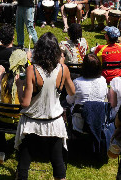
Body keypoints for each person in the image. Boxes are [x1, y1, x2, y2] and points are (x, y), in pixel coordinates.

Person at [14, 32, 75, 180]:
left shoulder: (32, 70)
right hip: (54, 122)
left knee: (23, 165)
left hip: (31, 124)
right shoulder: (63, 69)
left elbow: (25, 103)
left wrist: (19, 85)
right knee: (58, 164)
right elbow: (72, 92)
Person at [66, 53, 107, 133]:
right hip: (98, 122)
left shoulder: (77, 82)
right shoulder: (103, 80)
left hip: (79, 125)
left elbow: (69, 100)